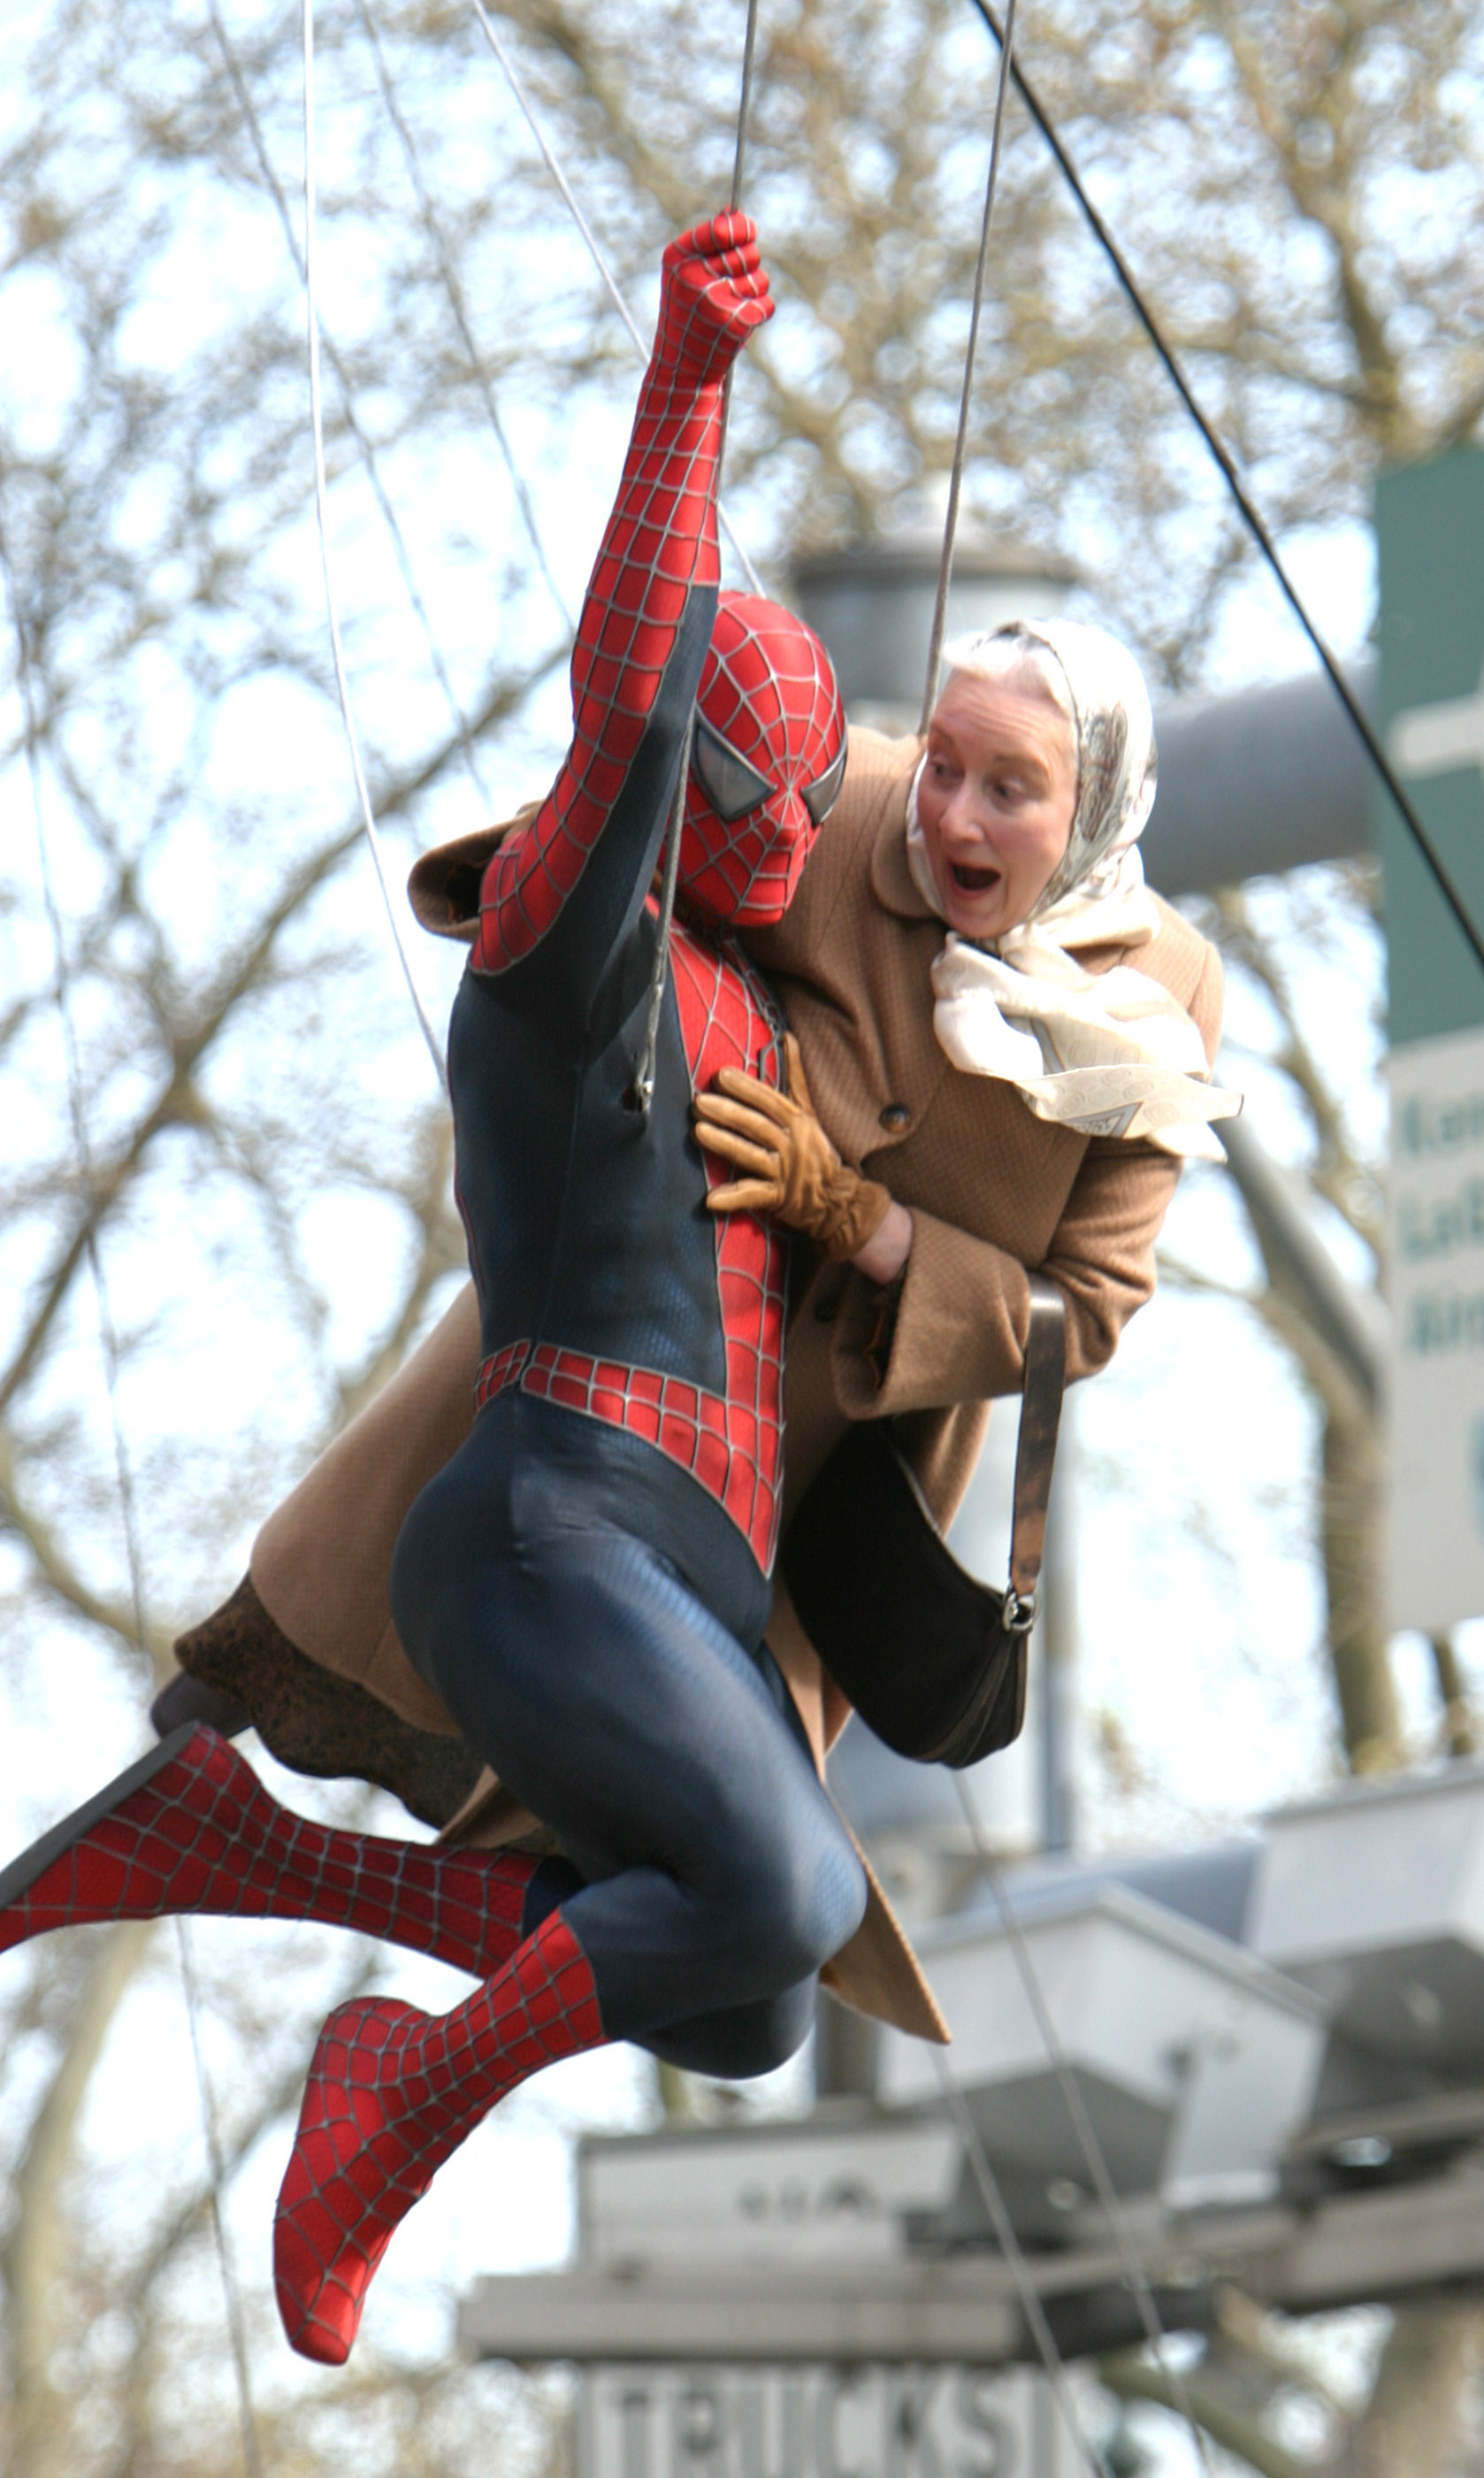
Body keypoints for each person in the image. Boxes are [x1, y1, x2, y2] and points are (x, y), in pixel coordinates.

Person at [1, 209, 868, 2369]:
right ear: (688, 797)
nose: (788, 827)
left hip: (680, 1581)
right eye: (751, 788)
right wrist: (687, 375)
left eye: (814, 794)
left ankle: (253, 1850)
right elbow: (628, 691)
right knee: (789, 1894)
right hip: (551, 1522)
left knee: (753, 1995)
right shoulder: (575, 959)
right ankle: (396, 2100)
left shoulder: (773, 1015)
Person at [153, 603, 1234, 2040]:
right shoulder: (833, 799)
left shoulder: (1163, 1001)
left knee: (755, 1988)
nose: (953, 810)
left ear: (1090, 806)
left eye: (1010, 787)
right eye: (946, 765)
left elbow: (1082, 1313)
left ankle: (256, 1859)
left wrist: (866, 1220)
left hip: (796, 1490)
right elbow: (605, 844)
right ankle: (320, 1981)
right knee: (748, 1911)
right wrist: (577, 864)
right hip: (606, 1377)